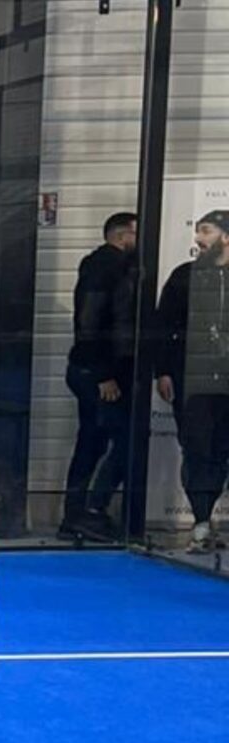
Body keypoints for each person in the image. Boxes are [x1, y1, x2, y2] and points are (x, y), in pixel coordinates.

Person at [60, 212, 140, 542]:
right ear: (122, 236)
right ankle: (88, 511)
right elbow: (90, 320)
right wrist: (104, 373)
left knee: (97, 441)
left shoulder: (111, 266)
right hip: (100, 370)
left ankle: (81, 513)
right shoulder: (106, 267)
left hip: (99, 367)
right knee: (114, 441)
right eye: (136, 234)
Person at [159, 209, 229, 552]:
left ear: (225, 237)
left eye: (206, 231)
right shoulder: (184, 276)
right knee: (197, 449)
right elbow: (162, 326)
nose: (198, 238)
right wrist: (162, 371)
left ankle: (212, 518)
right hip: (193, 383)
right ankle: (201, 522)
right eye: (198, 230)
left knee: (221, 451)